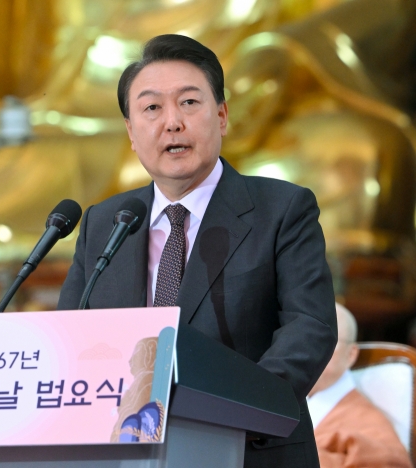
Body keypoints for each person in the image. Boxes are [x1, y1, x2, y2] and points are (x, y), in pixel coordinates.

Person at [57, 34, 337, 467]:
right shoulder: (105, 222)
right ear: (131, 132)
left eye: (189, 103)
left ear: (222, 115)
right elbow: (71, 338)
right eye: (152, 108)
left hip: (248, 450)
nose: (172, 122)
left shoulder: (282, 209)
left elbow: (310, 326)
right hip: (122, 452)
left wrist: (240, 409)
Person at [308, 304, 412, 468]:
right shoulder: (281, 397)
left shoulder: (369, 426)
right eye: (303, 340)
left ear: (351, 354)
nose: (309, 351)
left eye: (324, 340)